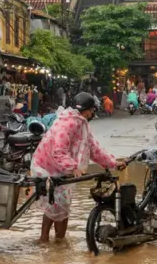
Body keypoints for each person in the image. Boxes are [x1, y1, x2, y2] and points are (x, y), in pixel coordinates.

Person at [30, 93, 125, 243]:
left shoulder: (81, 124)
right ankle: (53, 241)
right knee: (58, 204)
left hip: (61, 169)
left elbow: (94, 150)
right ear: (87, 110)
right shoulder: (68, 123)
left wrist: (112, 163)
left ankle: (54, 241)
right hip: (47, 166)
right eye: (92, 110)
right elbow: (59, 150)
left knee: (56, 205)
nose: (93, 113)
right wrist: (73, 167)